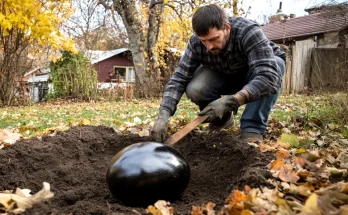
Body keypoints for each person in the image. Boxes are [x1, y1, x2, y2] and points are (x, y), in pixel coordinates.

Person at [152, 4, 286, 143]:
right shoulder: (196, 43)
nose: (209, 46)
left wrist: (232, 101)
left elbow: (267, 76)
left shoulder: (248, 32)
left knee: (276, 65)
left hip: (256, 73)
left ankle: (252, 127)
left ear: (227, 28)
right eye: (204, 41)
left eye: (213, 39)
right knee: (196, 88)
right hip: (225, 73)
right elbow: (179, 78)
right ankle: (222, 121)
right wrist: (163, 115)